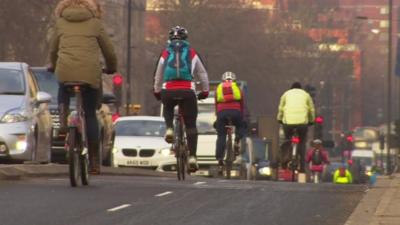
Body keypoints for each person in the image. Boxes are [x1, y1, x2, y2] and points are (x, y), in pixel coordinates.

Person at [49, 0, 117, 174]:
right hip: (89, 74)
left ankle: (63, 115)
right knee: (90, 114)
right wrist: (111, 67)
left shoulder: (61, 23)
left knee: (63, 87)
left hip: (65, 70)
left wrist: (52, 64)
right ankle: (94, 161)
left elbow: (53, 48)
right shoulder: (95, 24)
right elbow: (109, 50)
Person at [153, 26, 209, 170]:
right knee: (190, 125)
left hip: (169, 90)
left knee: (167, 107)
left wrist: (157, 91)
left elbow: (158, 74)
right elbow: (202, 74)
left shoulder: (165, 53)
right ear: (186, 39)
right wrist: (205, 91)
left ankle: (170, 129)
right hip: (187, 91)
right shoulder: (192, 52)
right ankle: (192, 158)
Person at [277, 82, 315, 173]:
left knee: (287, 140)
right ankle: (302, 167)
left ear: (291, 88)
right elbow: (311, 110)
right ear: (301, 88)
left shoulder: (285, 94)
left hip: (288, 123)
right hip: (302, 124)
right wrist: (311, 120)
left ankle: (285, 159)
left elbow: (281, 109)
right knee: (302, 143)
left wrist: (279, 119)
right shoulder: (306, 95)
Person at [214, 72, 246, 167]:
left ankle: (220, 157)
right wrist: (242, 116)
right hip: (236, 112)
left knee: (221, 136)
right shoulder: (238, 89)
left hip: (222, 113)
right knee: (241, 125)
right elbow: (242, 104)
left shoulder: (218, 89)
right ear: (234, 80)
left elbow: (216, 104)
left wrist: (218, 117)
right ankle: (237, 140)